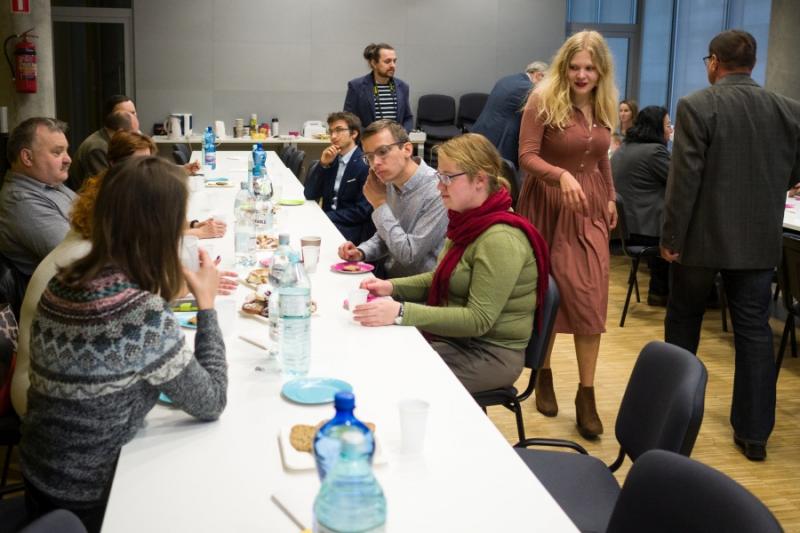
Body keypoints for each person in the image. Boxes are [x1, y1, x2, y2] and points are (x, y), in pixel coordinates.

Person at [20, 156, 228, 532]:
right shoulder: (136, 311)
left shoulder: (64, 281)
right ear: (161, 229)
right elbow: (211, 401)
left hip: (39, 479)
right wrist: (207, 305)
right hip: (95, 497)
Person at [660, 30, 800, 461]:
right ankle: (754, 435)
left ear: (715, 63)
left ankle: (671, 417)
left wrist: (671, 237)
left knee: (683, 323)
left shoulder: (697, 105)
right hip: (758, 240)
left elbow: (684, 180)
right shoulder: (789, 110)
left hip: (700, 240)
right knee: (754, 333)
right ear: (752, 64)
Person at [352, 134, 549, 393]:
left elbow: (478, 319)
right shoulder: (466, 221)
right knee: (380, 356)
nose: (439, 187)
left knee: (391, 380)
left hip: (490, 355)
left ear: (480, 180)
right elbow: (441, 277)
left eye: (448, 178)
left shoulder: (500, 238)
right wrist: (390, 287)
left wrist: (401, 312)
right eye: (439, 177)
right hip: (460, 342)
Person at [516, 30, 618, 439]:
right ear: (564, 67)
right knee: (549, 292)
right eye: (575, 67)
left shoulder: (603, 102)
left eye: (589, 68)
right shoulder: (542, 99)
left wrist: (609, 196)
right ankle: (542, 372)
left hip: (588, 204)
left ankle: (586, 394)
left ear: (601, 70)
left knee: (590, 296)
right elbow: (526, 156)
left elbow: (601, 157)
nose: (581, 75)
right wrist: (559, 175)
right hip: (546, 202)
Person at [337, 119, 447, 277]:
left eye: (383, 152)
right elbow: (388, 234)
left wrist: (379, 205)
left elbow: (409, 255)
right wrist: (361, 251)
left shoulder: (437, 190)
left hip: (420, 287)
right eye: (369, 157)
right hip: (389, 279)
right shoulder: (389, 181)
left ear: (407, 149)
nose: (375, 163)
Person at [611, 105, 673, 306]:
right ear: (657, 127)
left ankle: (660, 290)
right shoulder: (654, 152)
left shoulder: (624, 148)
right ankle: (667, 292)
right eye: (667, 125)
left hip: (624, 229)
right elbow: (681, 180)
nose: (670, 130)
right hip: (644, 230)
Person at [0, 117, 76, 277]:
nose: (68, 159)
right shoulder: (21, 201)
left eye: (66, 151)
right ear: (27, 157)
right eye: (57, 152)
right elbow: (75, 258)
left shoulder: (51, 183)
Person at [303, 112, 374, 244]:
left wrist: (324, 216)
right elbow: (310, 194)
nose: (333, 136)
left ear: (354, 133)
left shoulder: (365, 165)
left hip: (350, 230)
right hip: (328, 223)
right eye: (331, 132)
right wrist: (323, 164)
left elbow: (362, 211)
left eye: (339, 130)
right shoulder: (333, 159)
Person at [471, 61, 548, 163]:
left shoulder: (508, 79)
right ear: (539, 75)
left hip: (483, 128)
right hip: (500, 138)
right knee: (494, 168)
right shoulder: (527, 88)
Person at [66, 103, 139, 191]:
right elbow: (105, 186)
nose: (137, 137)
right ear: (121, 132)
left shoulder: (108, 139)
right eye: (134, 133)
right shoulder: (98, 148)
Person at [344, 43, 414, 132]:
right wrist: (371, 136)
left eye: (394, 61)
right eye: (387, 61)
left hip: (396, 139)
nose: (393, 65)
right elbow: (348, 119)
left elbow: (408, 118)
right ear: (374, 63)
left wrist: (402, 134)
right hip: (367, 139)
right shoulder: (356, 86)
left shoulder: (403, 87)